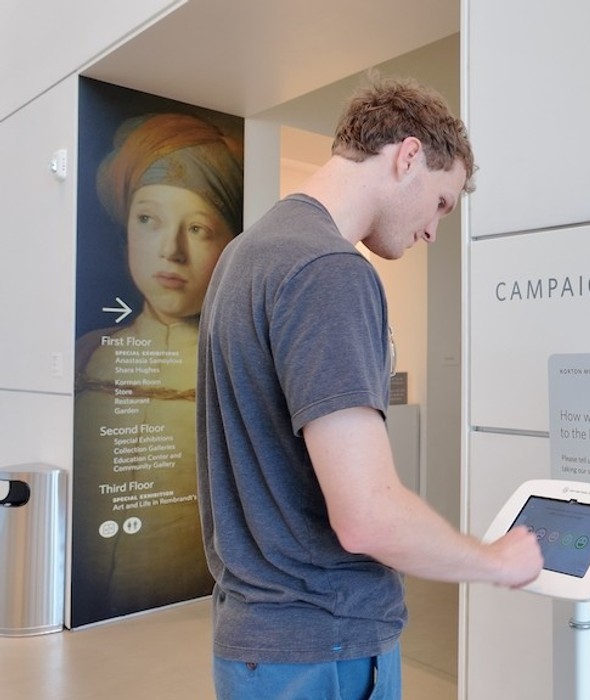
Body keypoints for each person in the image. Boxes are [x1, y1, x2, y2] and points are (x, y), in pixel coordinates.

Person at [196, 76, 543, 700]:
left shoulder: (245, 254)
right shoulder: (330, 271)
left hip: (254, 643)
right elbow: (367, 516)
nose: (435, 232)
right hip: (324, 648)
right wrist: (496, 560)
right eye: (441, 203)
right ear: (408, 156)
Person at [72, 112, 243, 623]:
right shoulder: (89, 352)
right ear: (125, 228)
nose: (171, 251)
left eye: (198, 228)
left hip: (189, 620)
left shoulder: (236, 363)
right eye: (148, 219)